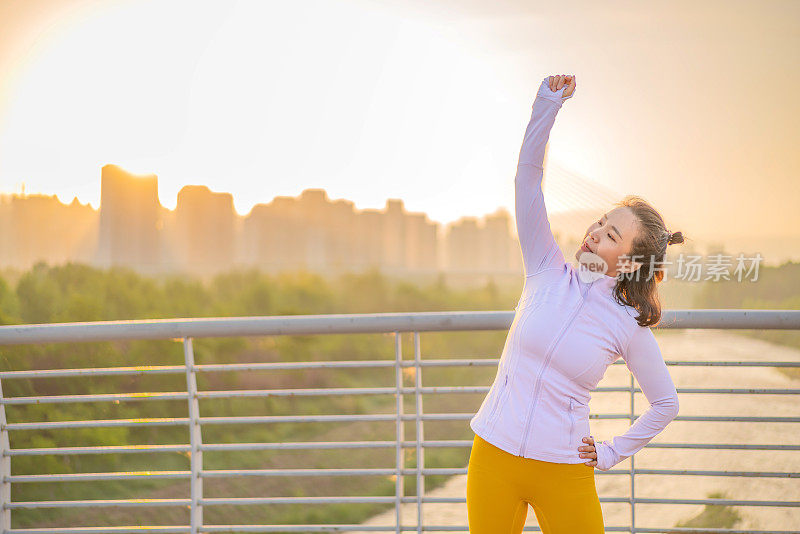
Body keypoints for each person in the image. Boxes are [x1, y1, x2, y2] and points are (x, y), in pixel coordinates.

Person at [466, 74, 684, 533]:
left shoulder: (627, 323)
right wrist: (548, 104)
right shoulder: (545, 266)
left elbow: (665, 403)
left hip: (564, 466)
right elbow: (528, 179)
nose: (593, 234)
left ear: (629, 264)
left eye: (611, 235)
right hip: (493, 456)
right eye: (599, 223)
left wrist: (610, 452)